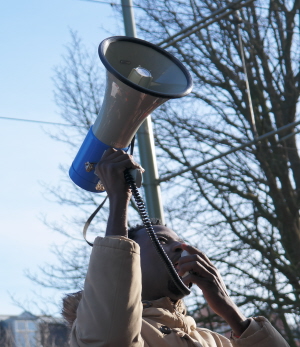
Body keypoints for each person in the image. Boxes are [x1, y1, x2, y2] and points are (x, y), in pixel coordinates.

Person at [64, 148, 290, 347]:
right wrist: (119, 199)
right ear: (130, 261)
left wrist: (230, 309)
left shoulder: (216, 341)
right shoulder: (96, 329)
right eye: (161, 241)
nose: (181, 248)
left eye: (178, 242)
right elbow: (109, 339)